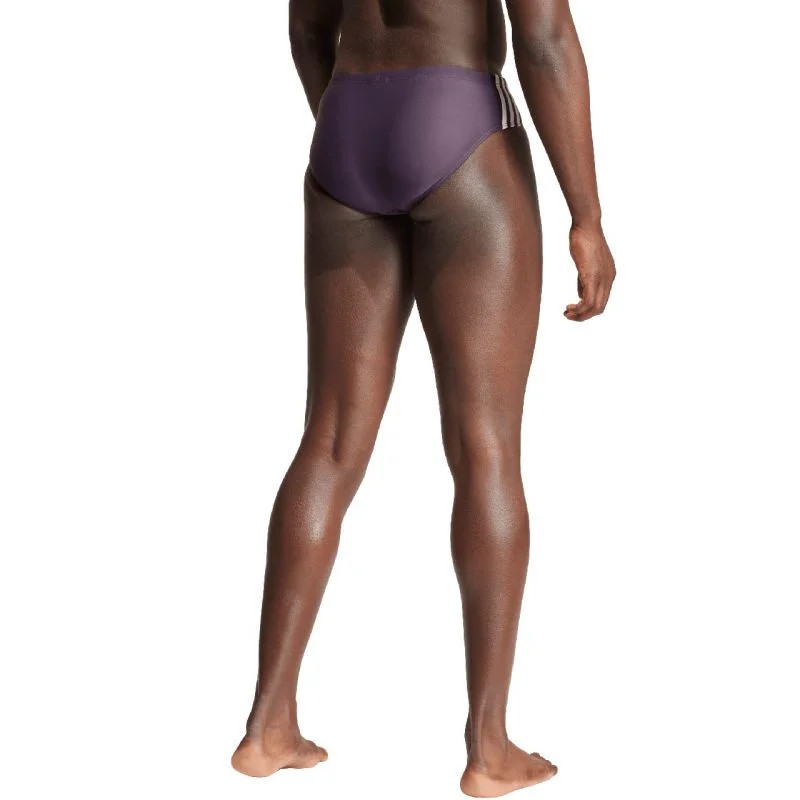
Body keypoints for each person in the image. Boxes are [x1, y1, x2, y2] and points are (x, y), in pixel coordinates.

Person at [232, 0, 616, 795]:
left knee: (329, 442)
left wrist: (356, 128)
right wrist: (587, 216)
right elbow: (544, 37)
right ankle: (489, 747)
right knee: (485, 449)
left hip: (346, 132)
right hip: (459, 122)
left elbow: (307, 28)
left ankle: (267, 726)